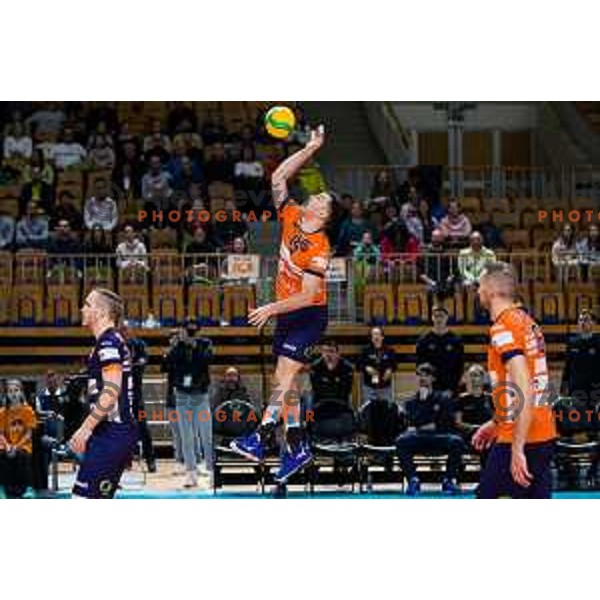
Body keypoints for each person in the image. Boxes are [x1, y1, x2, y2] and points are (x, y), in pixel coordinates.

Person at [229, 125, 331, 483]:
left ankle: (260, 436)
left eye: (323, 199)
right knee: (283, 382)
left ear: (323, 215)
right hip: (288, 313)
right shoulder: (291, 216)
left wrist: (270, 308)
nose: (316, 197)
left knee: (285, 377)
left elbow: (306, 295)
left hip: (308, 315)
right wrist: (310, 148)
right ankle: (297, 446)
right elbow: (277, 177)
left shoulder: (319, 247)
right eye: (316, 196)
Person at [472, 262, 557, 499]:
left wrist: (517, 448)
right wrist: (495, 422)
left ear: (491, 290)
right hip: (543, 433)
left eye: (479, 285)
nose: (477, 291)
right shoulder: (528, 323)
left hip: (519, 438)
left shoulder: (502, 327)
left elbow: (523, 385)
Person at [68, 288, 139, 498]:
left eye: (87, 304)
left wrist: (85, 429)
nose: (82, 309)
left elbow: (111, 390)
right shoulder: (108, 342)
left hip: (113, 433)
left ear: (100, 312)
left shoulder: (108, 343)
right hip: (109, 433)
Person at [395, 364, 465, 495]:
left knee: (457, 441)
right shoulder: (411, 401)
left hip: (439, 437)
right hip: (419, 437)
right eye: (420, 375)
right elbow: (413, 422)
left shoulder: (443, 398)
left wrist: (429, 424)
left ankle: (448, 480)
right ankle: (413, 480)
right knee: (401, 441)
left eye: (426, 375)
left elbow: (445, 422)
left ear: (433, 378)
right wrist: (423, 402)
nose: (422, 378)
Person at [163, 321, 213, 487]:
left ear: (198, 332)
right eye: (187, 331)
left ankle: (212, 471)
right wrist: (177, 345)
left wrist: (194, 346)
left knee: (206, 435)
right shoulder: (177, 347)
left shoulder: (205, 344)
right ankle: (191, 473)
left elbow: (206, 361)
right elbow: (167, 365)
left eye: (193, 332)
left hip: (201, 396)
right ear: (182, 331)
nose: (191, 334)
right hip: (182, 396)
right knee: (187, 437)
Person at [123, 325, 157, 473]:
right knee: (121, 428)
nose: (124, 333)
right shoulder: (116, 346)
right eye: (121, 331)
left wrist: (133, 365)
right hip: (120, 394)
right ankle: (125, 460)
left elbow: (143, 362)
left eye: (126, 330)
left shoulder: (139, 345)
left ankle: (151, 460)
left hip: (136, 394)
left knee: (143, 426)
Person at [0, 379, 37, 498]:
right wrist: (7, 446)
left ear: (21, 392)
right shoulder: (2, 412)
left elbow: (28, 434)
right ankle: (3, 488)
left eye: (16, 390)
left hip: (23, 445)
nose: (13, 393)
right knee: (2, 455)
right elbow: (0, 434)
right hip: (6, 444)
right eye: (10, 391)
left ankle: (28, 488)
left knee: (22, 456)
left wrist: (16, 446)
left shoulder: (28, 411)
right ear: (6, 394)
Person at [416, 305, 465, 395]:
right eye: (436, 316)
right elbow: (419, 366)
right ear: (432, 318)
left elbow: (460, 365)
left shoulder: (455, 340)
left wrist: (453, 387)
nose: (438, 319)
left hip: (450, 387)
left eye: (441, 316)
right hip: (430, 388)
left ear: (447, 317)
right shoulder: (424, 340)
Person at [561, 309, 600, 409]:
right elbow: (567, 366)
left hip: (593, 388)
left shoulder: (598, 342)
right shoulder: (572, 341)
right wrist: (564, 386)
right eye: (581, 320)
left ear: (593, 323)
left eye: (586, 320)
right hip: (575, 387)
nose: (583, 323)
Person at [308, 340, 354, 408]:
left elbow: (345, 390)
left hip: (341, 400)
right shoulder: (315, 367)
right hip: (320, 400)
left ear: (338, 354)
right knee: (309, 401)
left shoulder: (347, 367)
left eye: (331, 351)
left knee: (350, 403)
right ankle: (309, 419)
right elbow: (316, 389)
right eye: (325, 351)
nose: (328, 355)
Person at [358, 327, 397, 404]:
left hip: (385, 387)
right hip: (369, 387)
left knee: (386, 411)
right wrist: (366, 368)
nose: (376, 336)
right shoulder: (365, 351)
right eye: (373, 334)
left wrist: (390, 370)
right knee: (369, 412)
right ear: (371, 338)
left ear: (382, 337)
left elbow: (394, 365)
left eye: (378, 334)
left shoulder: (389, 351)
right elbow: (358, 365)